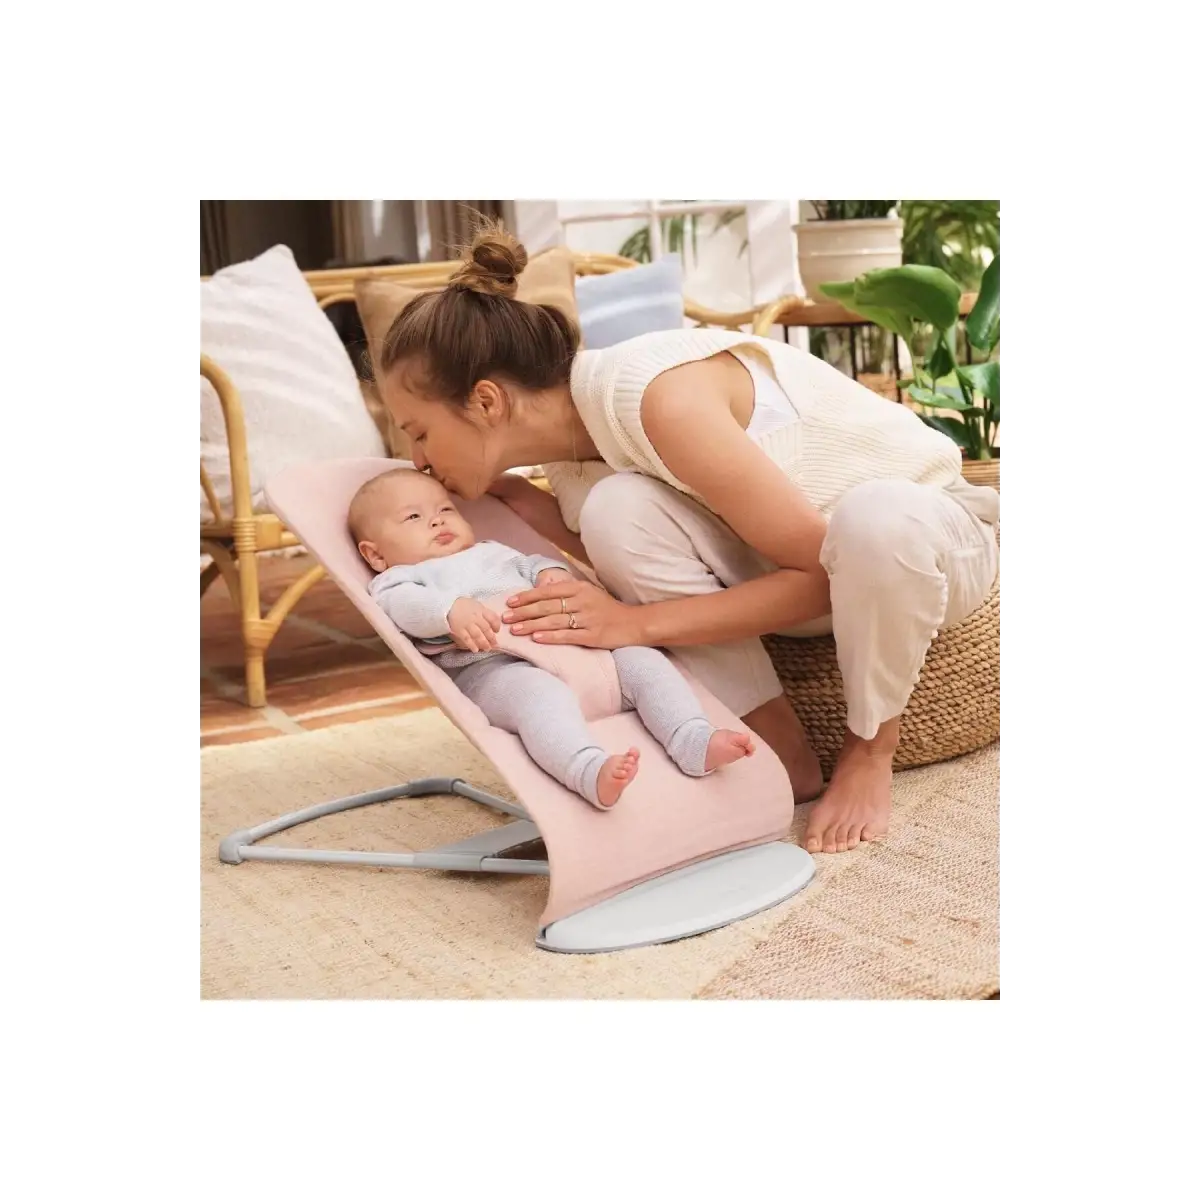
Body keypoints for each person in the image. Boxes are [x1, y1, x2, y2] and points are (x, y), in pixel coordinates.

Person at [371, 220, 999, 853]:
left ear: (486, 401)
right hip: (815, 576)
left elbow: (821, 576)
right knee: (617, 508)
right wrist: (520, 502)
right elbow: (641, 554)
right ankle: (782, 753)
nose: (417, 460)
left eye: (419, 433)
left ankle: (870, 749)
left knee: (873, 517)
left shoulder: (660, 398)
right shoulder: (570, 461)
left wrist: (632, 626)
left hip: (923, 545)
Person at [349, 467, 756, 810]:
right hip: (498, 669)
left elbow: (532, 564)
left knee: (644, 662)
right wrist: (448, 610)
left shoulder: (491, 551)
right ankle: (586, 770)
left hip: (586, 660)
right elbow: (403, 607)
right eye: (413, 517)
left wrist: (551, 575)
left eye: (445, 510)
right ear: (376, 555)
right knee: (539, 696)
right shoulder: (399, 579)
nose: (437, 521)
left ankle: (691, 738)